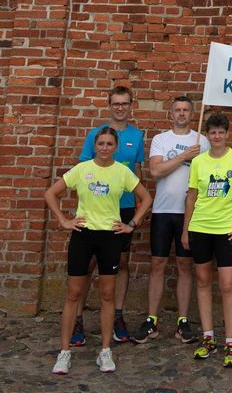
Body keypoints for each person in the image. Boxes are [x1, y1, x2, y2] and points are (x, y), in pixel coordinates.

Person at [45, 126, 152, 375]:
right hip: (83, 235)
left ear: (116, 147)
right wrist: (64, 220)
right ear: (94, 145)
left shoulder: (122, 172)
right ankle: (64, 352)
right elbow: (51, 193)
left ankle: (105, 351)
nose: (104, 148)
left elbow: (146, 198)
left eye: (109, 144)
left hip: (110, 237)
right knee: (73, 293)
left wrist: (131, 224)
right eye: (100, 143)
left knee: (107, 294)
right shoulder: (82, 170)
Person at [70, 85, 145, 346]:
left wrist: (137, 212)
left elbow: (137, 172)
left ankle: (118, 316)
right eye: (116, 103)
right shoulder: (96, 134)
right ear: (109, 105)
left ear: (131, 105)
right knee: (88, 266)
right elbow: (82, 171)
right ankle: (78, 318)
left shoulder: (137, 136)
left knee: (121, 264)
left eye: (125, 103)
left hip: (123, 210)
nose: (120, 107)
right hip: (96, 211)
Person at [131, 95, 209, 345]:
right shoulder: (161, 140)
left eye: (186, 110)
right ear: (171, 114)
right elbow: (155, 170)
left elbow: (209, 174)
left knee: (186, 266)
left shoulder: (202, 141)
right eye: (178, 110)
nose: (182, 114)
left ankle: (183, 320)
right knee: (157, 264)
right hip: (164, 211)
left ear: (191, 113)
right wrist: (185, 156)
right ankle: (152, 319)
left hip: (191, 213)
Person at [182, 111, 232, 369]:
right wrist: (185, 230)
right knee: (202, 281)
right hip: (200, 228)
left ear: (227, 134)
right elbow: (191, 196)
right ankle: (208, 336)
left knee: (227, 285)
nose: (216, 136)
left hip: (226, 231)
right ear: (208, 135)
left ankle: (231, 341)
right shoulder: (199, 162)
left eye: (221, 132)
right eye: (212, 132)